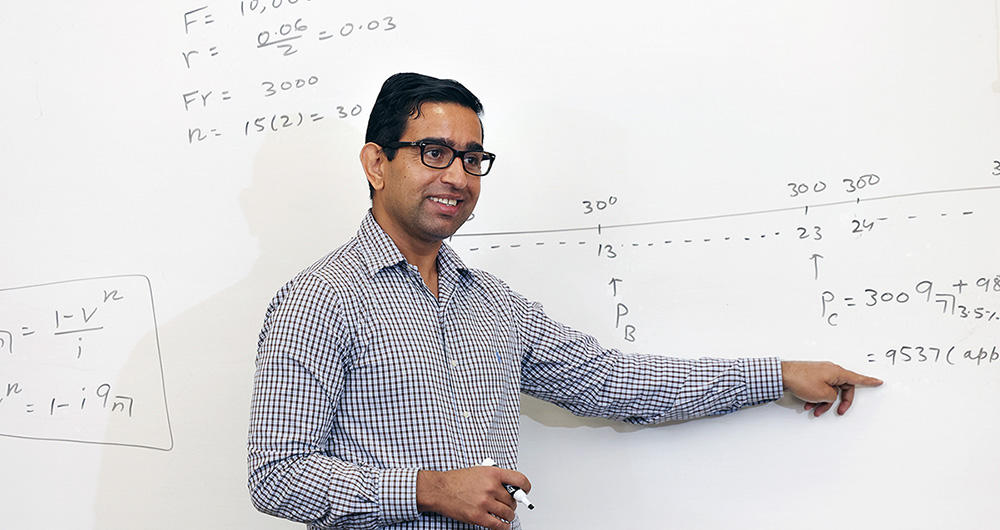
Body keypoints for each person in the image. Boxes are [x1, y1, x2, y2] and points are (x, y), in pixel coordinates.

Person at [247, 72, 883, 530]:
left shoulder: (493, 305)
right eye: (434, 152)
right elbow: (276, 474)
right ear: (377, 163)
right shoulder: (317, 301)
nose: (457, 176)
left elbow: (613, 382)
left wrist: (776, 376)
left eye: (473, 159)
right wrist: (429, 490)